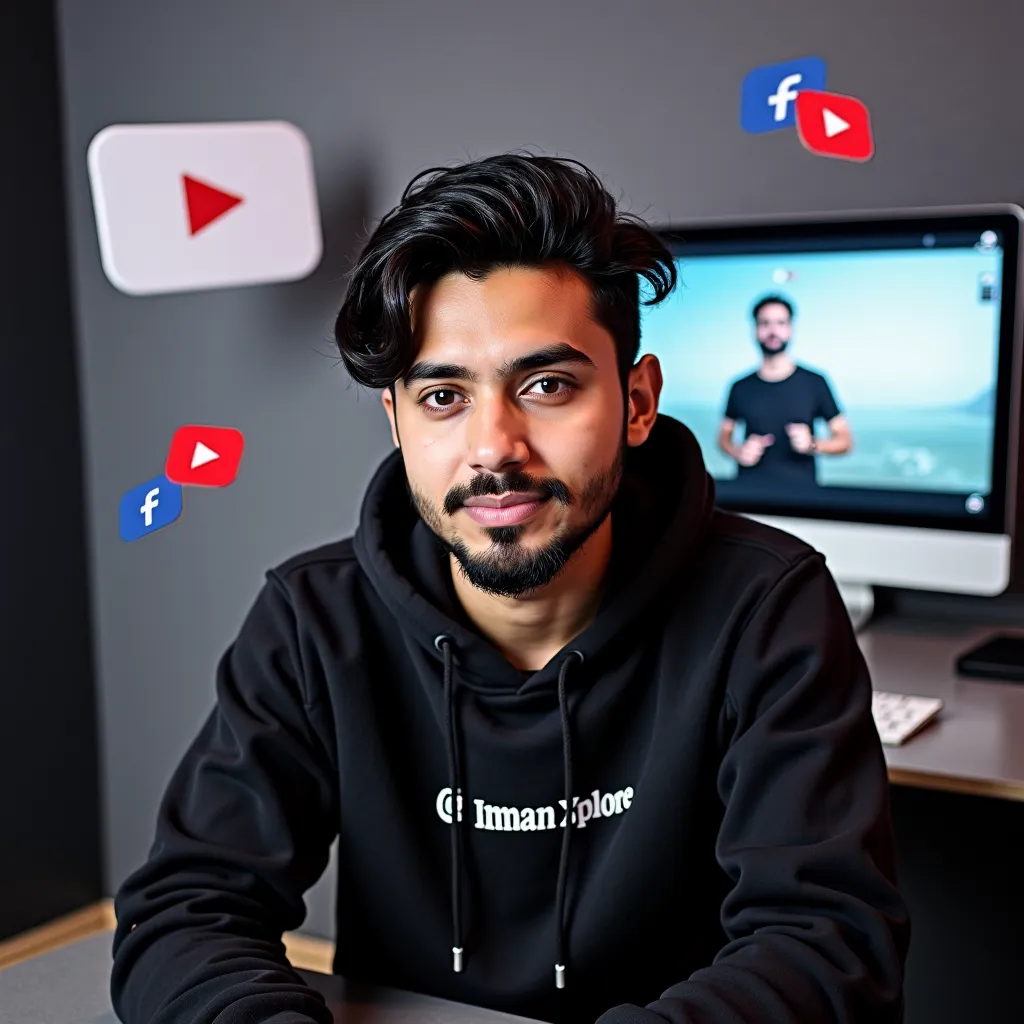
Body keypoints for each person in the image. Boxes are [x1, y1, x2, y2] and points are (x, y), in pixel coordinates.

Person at [110, 154, 909, 1024]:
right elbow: (184, 913)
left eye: (548, 385)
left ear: (638, 403)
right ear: (398, 422)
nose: (494, 446)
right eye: (444, 396)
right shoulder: (315, 620)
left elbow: (826, 945)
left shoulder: (767, 609)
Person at [718, 295, 853, 491]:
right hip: (748, 496)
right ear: (755, 330)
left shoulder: (814, 382)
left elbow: (845, 441)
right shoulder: (740, 386)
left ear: (791, 329)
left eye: (780, 323)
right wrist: (738, 451)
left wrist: (813, 445)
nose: (773, 331)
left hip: (801, 498)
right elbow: (723, 438)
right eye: (765, 323)